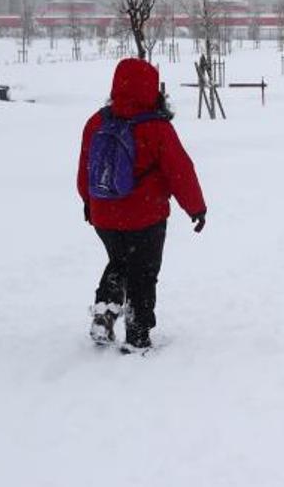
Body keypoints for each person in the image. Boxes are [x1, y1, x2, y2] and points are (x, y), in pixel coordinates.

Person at [77, 58, 207, 354]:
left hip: (104, 214)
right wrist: (196, 208)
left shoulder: (97, 122)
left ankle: (104, 313)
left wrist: (88, 200)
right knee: (143, 273)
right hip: (145, 216)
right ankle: (137, 335)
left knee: (119, 262)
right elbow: (180, 171)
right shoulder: (156, 128)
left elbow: (85, 167)